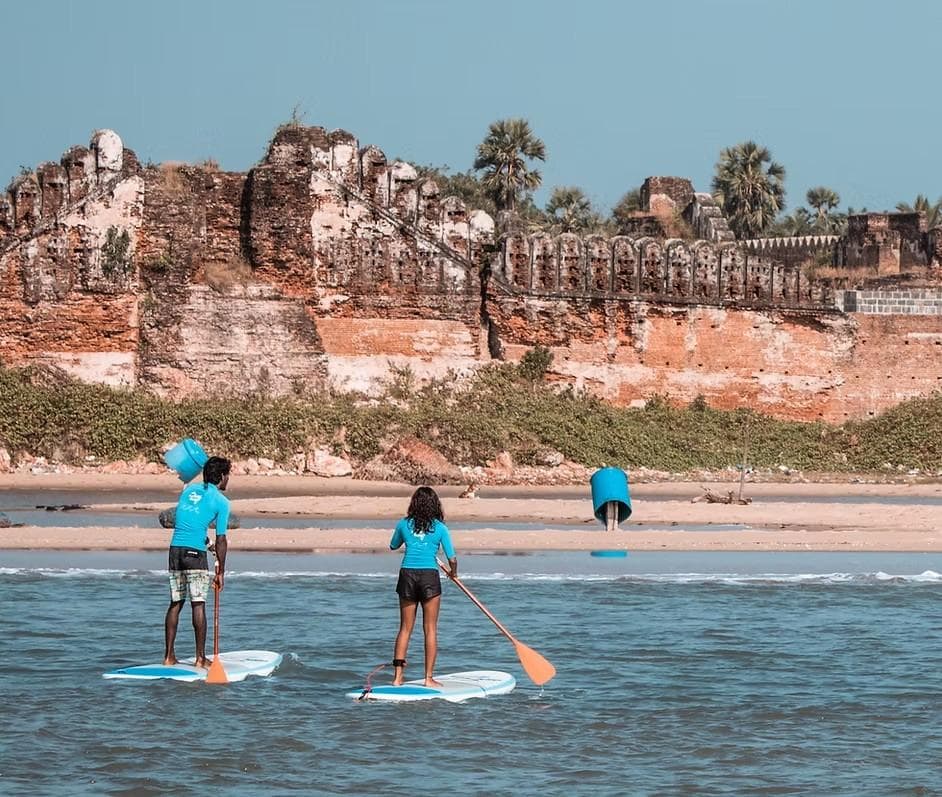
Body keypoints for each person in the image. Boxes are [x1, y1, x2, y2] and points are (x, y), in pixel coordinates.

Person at [163, 456, 232, 667]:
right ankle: (200, 658)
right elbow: (222, 540)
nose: (228, 479)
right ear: (221, 476)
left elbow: (189, 523)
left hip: (175, 551)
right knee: (198, 604)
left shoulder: (189, 491)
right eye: (228, 475)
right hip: (195, 556)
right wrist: (221, 571)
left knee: (176, 602)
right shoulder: (222, 502)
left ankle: (168, 657)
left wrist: (206, 542)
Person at [389, 486, 458, 687]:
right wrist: (453, 574)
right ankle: (428, 678)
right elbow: (452, 558)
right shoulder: (440, 528)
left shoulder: (403, 524)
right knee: (430, 629)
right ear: (435, 505)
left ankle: (397, 678)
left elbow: (393, 545)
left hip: (407, 574)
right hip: (429, 576)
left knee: (405, 629)